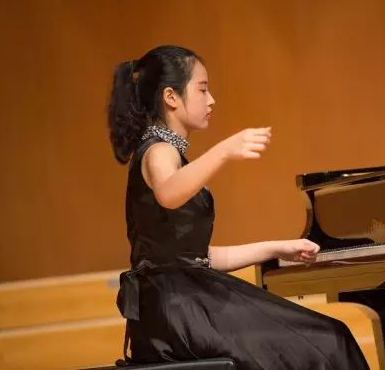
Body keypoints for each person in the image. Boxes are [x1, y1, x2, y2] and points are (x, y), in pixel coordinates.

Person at [107, 45, 370, 369]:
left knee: (328, 337)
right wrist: (224, 150)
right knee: (328, 341)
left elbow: (196, 257)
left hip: (179, 305)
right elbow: (168, 193)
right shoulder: (159, 151)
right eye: (202, 89)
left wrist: (278, 248)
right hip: (178, 314)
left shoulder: (163, 152)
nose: (211, 100)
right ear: (171, 97)